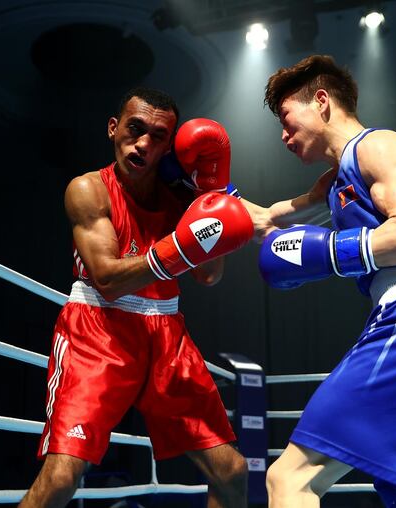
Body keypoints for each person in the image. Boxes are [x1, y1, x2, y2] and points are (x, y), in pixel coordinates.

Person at [241, 55, 396, 507]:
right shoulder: (335, 182)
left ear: (321, 102)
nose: (282, 134)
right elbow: (267, 222)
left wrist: (332, 254)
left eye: (285, 117)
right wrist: (212, 203)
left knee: (289, 481)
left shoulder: (378, 146)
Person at [19, 87, 253, 508]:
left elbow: (209, 274)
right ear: (114, 129)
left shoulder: (181, 199)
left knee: (233, 472)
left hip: (166, 333)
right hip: (98, 329)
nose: (143, 143)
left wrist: (212, 195)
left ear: (170, 145)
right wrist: (177, 247)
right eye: (135, 129)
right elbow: (107, 278)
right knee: (60, 479)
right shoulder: (88, 189)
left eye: (158, 136)